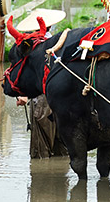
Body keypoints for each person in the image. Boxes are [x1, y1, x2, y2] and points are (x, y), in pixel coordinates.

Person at [12, 9, 69, 159]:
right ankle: (61, 175)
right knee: (62, 139)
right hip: (63, 97)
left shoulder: (30, 45)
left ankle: (40, 177)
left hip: (41, 97)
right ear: (50, 26)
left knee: (41, 144)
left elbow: (24, 72)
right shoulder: (62, 41)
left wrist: (23, 94)